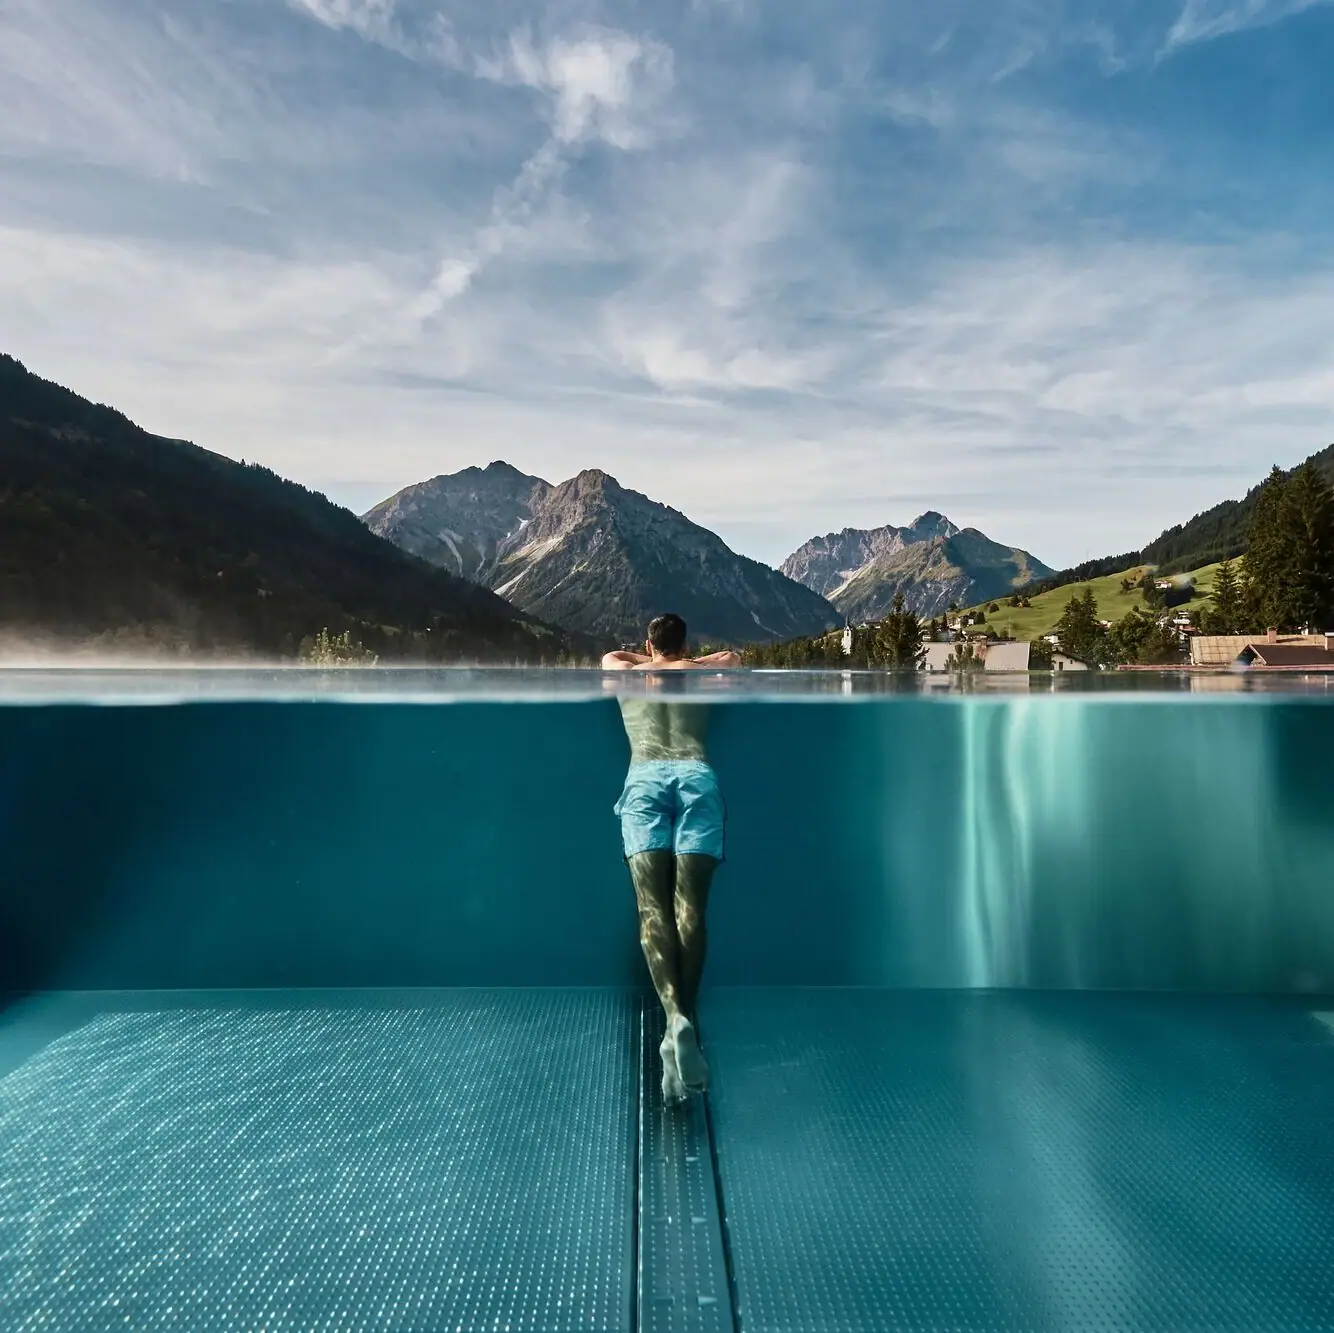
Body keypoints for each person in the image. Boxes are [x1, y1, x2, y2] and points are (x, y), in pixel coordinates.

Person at [601, 614, 741, 1104]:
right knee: (690, 909)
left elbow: (611, 658)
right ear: (687, 642)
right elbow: (733, 659)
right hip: (695, 774)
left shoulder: (623, 667)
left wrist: (656, 659)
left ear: (647, 643)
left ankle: (673, 1020)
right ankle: (687, 1024)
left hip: (644, 778)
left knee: (651, 908)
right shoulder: (703, 670)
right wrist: (685, 659)